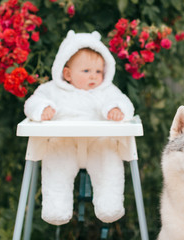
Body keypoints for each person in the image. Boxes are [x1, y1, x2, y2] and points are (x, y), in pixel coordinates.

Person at [24, 30, 135, 225]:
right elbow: (33, 102)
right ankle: (56, 208)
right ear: (66, 73)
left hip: (98, 144)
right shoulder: (52, 90)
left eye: (98, 71)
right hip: (63, 144)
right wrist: (43, 109)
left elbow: (125, 104)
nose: (93, 76)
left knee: (109, 163)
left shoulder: (107, 91)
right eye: (86, 71)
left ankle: (110, 205)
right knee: (56, 167)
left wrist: (117, 109)